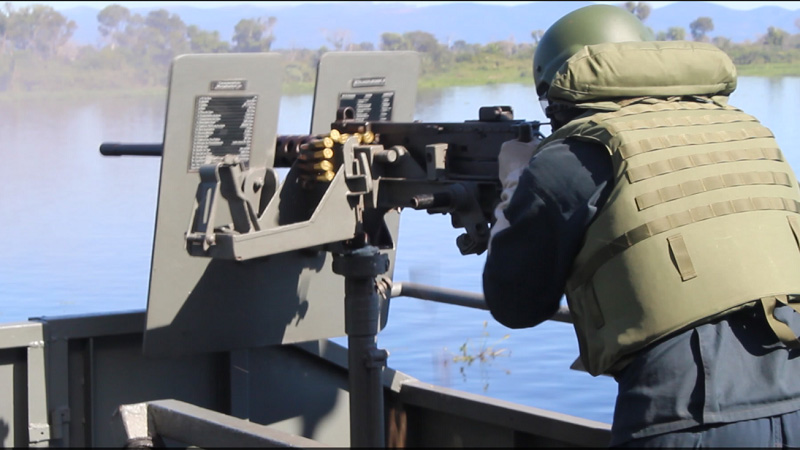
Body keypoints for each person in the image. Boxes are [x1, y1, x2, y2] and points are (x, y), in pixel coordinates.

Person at [482, 4, 800, 448]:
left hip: (685, 412)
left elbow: (515, 304)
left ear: (556, 89)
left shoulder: (574, 156)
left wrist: (517, 181)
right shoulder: (749, 132)